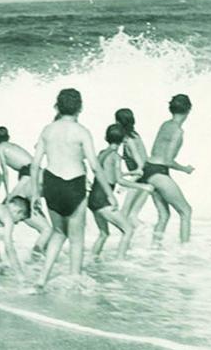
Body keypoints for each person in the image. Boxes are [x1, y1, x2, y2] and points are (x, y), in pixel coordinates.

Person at [32, 89, 117, 288]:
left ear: (57, 106)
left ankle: (42, 278)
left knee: (58, 232)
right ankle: (74, 280)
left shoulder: (47, 130)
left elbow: (36, 164)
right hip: (74, 183)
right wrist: (109, 194)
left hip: (51, 182)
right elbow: (95, 166)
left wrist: (36, 192)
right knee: (76, 239)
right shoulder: (82, 132)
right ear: (80, 107)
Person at [89, 125, 155, 259]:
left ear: (106, 138)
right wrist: (143, 187)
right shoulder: (116, 157)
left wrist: (131, 172)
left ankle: (92, 260)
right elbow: (119, 181)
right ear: (123, 140)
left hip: (93, 198)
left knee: (103, 234)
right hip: (103, 200)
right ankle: (120, 261)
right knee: (128, 230)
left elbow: (107, 173)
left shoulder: (102, 153)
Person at [142, 94, 194, 244]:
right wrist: (185, 169)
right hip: (159, 172)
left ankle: (155, 250)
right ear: (189, 109)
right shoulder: (178, 131)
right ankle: (185, 250)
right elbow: (168, 160)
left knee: (164, 215)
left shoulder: (165, 124)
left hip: (149, 169)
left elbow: (156, 151)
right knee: (186, 212)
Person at [0, 126, 52, 257]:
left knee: (15, 199)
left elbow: (5, 171)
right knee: (45, 227)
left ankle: (37, 252)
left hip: (28, 171)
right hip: (33, 170)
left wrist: (8, 191)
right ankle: (40, 251)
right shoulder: (12, 146)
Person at [115, 108, 150, 226]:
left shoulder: (129, 141)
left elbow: (141, 167)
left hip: (142, 179)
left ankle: (146, 238)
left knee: (125, 215)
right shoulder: (135, 136)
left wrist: (124, 179)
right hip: (148, 178)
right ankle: (150, 239)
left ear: (119, 123)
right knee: (131, 216)